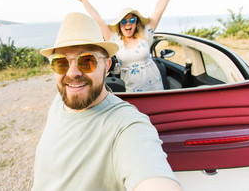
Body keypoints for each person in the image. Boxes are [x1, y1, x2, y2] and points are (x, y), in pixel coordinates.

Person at [32, 12, 182, 191]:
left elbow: (152, 177)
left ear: (107, 66)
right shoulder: (59, 101)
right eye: (61, 62)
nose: (72, 73)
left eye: (87, 61)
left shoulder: (126, 125)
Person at [70, 0, 191, 92]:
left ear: (136, 22)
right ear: (119, 24)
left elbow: (160, 7)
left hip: (155, 87)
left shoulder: (146, 34)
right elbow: (98, 19)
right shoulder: (114, 39)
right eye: (124, 21)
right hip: (131, 90)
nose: (128, 23)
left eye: (132, 20)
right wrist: (83, 0)